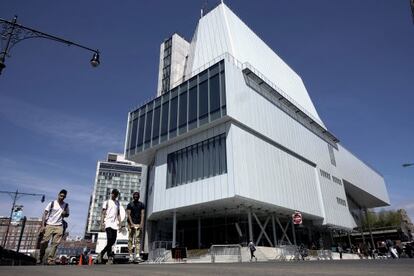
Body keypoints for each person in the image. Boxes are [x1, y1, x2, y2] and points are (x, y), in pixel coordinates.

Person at [38, 189, 70, 265]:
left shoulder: (66, 205)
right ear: (58, 195)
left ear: (65, 197)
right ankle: (40, 257)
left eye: (63, 196)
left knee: (55, 244)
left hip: (59, 226)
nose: (62, 197)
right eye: (61, 195)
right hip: (49, 225)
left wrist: (65, 214)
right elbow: (44, 214)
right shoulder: (52, 203)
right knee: (44, 242)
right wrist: (43, 226)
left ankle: (50, 260)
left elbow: (67, 215)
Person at [97, 189, 123, 264]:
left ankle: (101, 253)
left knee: (113, 240)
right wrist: (102, 223)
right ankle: (109, 257)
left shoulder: (118, 203)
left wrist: (120, 224)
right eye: (113, 194)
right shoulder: (107, 202)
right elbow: (103, 213)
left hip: (115, 224)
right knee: (110, 239)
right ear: (111, 194)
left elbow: (118, 214)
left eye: (116, 194)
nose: (114, 195)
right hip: (108, 223)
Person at [126, 191, 145, 263]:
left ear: (139, 197)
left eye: (137, 196)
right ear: (133, 197)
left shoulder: (142, 205)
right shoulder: (129, 205)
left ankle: (137, 255)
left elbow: (142, 214)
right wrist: (131, 224)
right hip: (131, 224)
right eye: (134, 196)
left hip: (138, 224)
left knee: (137, 240)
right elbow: (129, 215)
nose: (136, 198)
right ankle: (130, 256)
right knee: (130, 239)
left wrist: (141, 224)